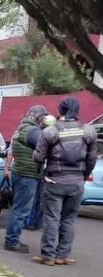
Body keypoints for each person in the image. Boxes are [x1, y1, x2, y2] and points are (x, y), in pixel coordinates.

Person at [30, 96, 97, 266]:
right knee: (69, 219)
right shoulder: (88, 131)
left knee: (52, 218)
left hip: (54, 181)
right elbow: (92, 159)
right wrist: (82, 176)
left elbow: (38, 157)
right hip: (76, 183)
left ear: (60, 111)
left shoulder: (51, 131)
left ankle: (48, 256)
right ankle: (62, 255)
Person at [2, 105, 48, 253]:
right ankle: (12, 241)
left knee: (17, 207)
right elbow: (45, 146)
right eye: (43, 117)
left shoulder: (20, 128)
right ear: (39, 117)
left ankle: (11, 238)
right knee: (21, 210)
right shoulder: (33, 132)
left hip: (19, 171)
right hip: (28, 174)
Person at [25, 114, 58, 231]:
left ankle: (32, 221)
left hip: (40, 171)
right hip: (40, 171)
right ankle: (33, 222)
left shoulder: (39, 135)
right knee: (38, 199)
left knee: (35, 198)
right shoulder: (48, 137)